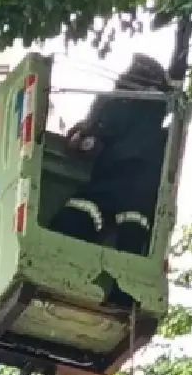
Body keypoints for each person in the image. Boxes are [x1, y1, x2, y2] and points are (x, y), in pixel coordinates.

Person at [52, 54, 172, 255]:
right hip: (138, 200)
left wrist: (82, 136)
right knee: (130, 246)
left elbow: (85, 144)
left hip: (107, 187)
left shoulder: (114, 103)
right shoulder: (162, 128)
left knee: (69, 225)